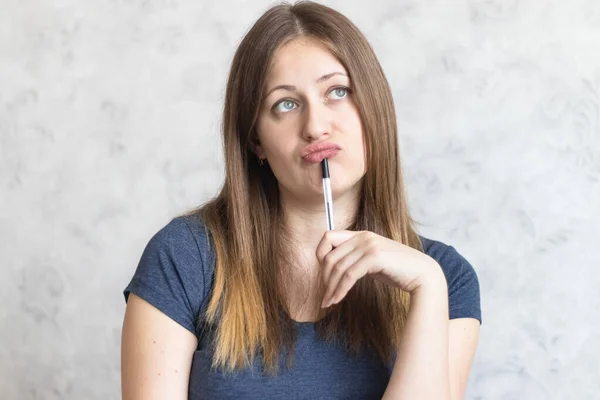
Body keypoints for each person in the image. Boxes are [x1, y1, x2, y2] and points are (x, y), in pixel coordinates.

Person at [121, 1, 482, 399]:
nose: (315, 126)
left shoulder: (446, 277)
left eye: (337, 92)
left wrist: (428, 285)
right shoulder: (185, 257)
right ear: (255, 138)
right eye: (285, 104)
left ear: (374, 109)